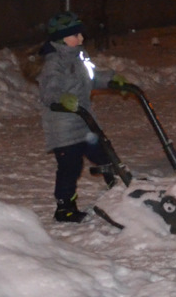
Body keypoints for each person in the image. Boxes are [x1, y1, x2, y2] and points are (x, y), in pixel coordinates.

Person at [36, 11, 130, 222]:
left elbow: (92, 76)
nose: (81, 38)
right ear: (61, 38)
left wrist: (114, 79)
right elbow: (49, 92)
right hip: (63, 127)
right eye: (75, 35)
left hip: (85, 121)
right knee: (70, 167)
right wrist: (62, 99)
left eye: (80, 34)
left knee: (104, 153)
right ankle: (65, 207)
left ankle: (119, 190)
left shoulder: (80, 55)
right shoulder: (53, 63)